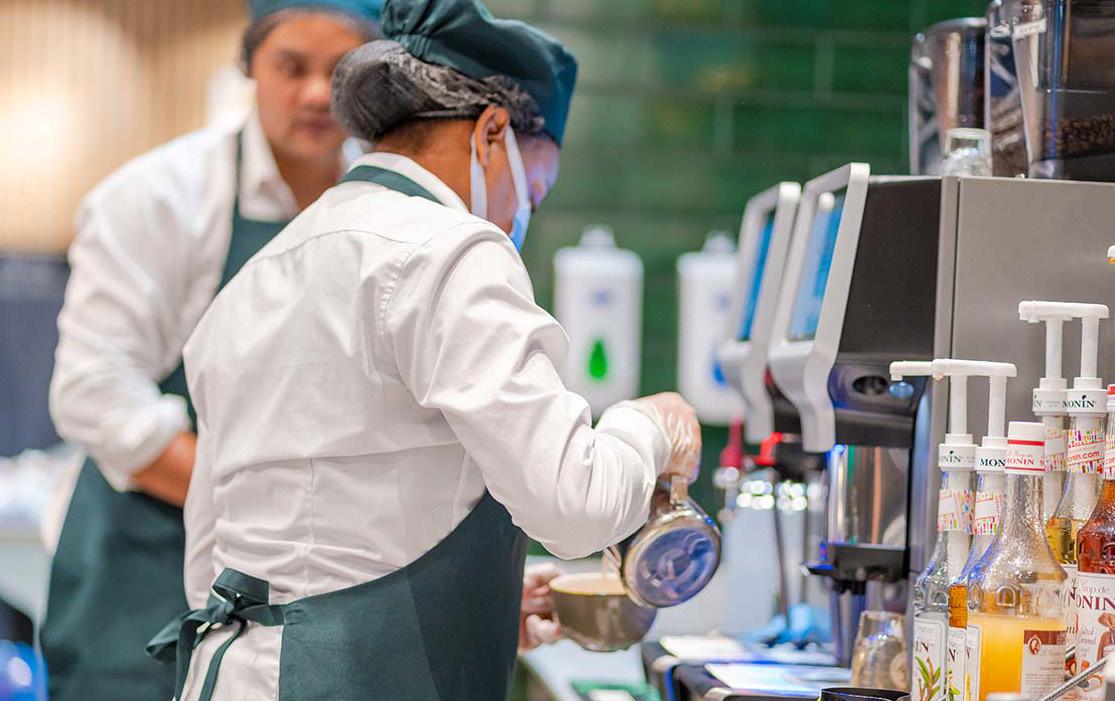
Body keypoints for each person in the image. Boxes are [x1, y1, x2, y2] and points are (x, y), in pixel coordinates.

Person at [147, 1, 702, 699]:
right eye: (533, 190)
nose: (520, 215)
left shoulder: (261, 272)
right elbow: (575, 506)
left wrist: (467, 607)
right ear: (491, 133)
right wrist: (650, 423)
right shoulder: (450, 250)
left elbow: (217, 552)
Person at [41, 2, 378, 699]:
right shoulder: (160, 195)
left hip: (315, 586)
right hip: (143, 567)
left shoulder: (383, 209)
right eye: (291, 67)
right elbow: (91, 392)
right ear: (250, 65)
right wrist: (267, 505)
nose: (317, 94)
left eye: (340, 71)